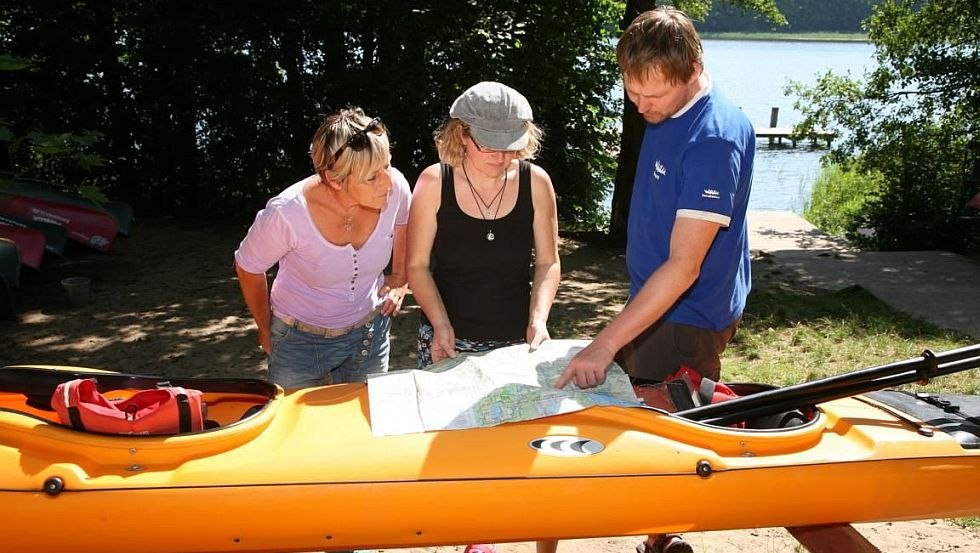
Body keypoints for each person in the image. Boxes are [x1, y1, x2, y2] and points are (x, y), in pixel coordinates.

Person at [555, 7, 755, 553]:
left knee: (665, 430)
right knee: (645, 420)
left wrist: (605, 342)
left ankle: (662, 536)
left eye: (654, 97)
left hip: (687, 313)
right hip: (656, 299)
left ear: (693, 68)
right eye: (632, 92)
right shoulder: (669, 107)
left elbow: (685, 266)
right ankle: (660, 532)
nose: (641, 107)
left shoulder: (713, 138)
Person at [406, 81, 560, 553]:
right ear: (461, 134)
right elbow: (415, 266)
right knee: (459, 460)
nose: (501, 154)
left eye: (510, 143)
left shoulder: (538, 183)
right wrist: (441, 323)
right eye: (489, 143)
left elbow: (548, 263)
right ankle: (476, 539)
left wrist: (539, 316)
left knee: (536, 461)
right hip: (450, 341)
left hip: (518, 345)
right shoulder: (435, 182)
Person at [235, 107, 410, 391]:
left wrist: (400, 277)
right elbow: (248, 266)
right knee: (296, 429)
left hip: (370, 333)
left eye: (387, 165)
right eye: (371, 177)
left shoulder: (396, 188)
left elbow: (404, 221)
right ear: (334, 179)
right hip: (298, 341)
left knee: (364, 425)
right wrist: (265, 328)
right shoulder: (287, 213)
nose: (388, 182)